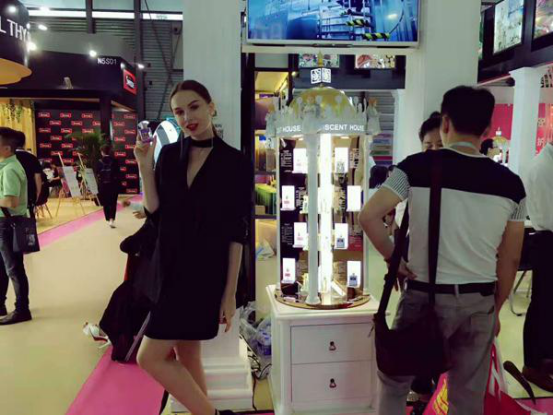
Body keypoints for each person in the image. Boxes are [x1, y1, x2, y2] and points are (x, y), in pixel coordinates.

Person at [360, 86, 526, 415]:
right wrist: (495, 308)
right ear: (487, 130)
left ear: (445, 123)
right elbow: (510, 258)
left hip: (424, 295)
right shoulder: (512, 185)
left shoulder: (415, 168)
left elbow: (368, 215)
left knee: (395, 382)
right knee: (467, 395)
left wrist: (394, 257)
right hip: (478, 300)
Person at [134, 80, 252, 415]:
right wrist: (145, 166)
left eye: (195, 107)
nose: (188, 117)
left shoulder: (235, 162)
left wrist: (230, 293)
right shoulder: (170, 155)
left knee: (149, 357)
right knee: (187, 354)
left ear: (211, 107)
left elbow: (237, 232)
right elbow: (155, 210)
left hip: (204, 273)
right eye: (179, 112)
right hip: (167, 267)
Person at [522, 141, 553, 392]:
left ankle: (546, 357)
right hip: (547, 242)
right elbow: (548, 214)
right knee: (542, 304)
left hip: (547, 240)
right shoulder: (542, 167)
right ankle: (532, 365)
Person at [0, 127, 32, 325]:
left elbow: (11, 201)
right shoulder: (7, 166)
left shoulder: (10, 169)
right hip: (5, 223)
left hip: (7, 223)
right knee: (4, 267)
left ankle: (22, 309)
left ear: (6, 148)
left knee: (13, 268)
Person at [14, 131, 42, 218]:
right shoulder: (32, 158)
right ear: (24, 142)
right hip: (29, 192)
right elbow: (38, 177)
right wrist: (38, 193)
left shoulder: (9, 157)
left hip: (13, 192)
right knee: (29, 216)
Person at [95, 145, 121, 228]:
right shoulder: (115, 161)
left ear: (102, 152)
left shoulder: (99, 162)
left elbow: (97, 173)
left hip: (103, 185)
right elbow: (119, 174)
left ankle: (108, 217)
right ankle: (111, 219)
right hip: (113, 185)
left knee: (105, 203)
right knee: (113, 202)